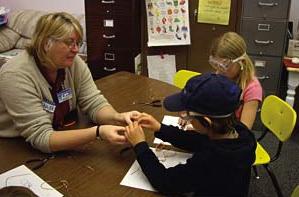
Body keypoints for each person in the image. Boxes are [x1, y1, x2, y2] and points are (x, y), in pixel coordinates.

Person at [0, 12, 139, 153]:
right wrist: (97, 132)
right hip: (14, 147)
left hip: (60, 130)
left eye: (77, 43)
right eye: (69, 42)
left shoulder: (73, 63)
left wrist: (116, 117)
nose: (76, 50)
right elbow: (42, 137)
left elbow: (94, 102)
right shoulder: (15, 75)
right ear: (45, 43)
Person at [125, 73, 257, 196]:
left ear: (206, 121)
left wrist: (140, 145)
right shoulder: (240, 132)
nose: (186, 118)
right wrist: (160, 128)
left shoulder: (211, 159)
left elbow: (165, 181)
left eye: (188, 116)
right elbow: (198, 141)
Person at [208, 31, 263, 129]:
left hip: (233, 137)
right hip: (216, 130)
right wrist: (193, 115)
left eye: (224, 66)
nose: (219, 71)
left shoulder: (252, 88)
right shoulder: (221, 75)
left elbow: (244, 131)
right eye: (216, 65)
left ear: (240, 62)